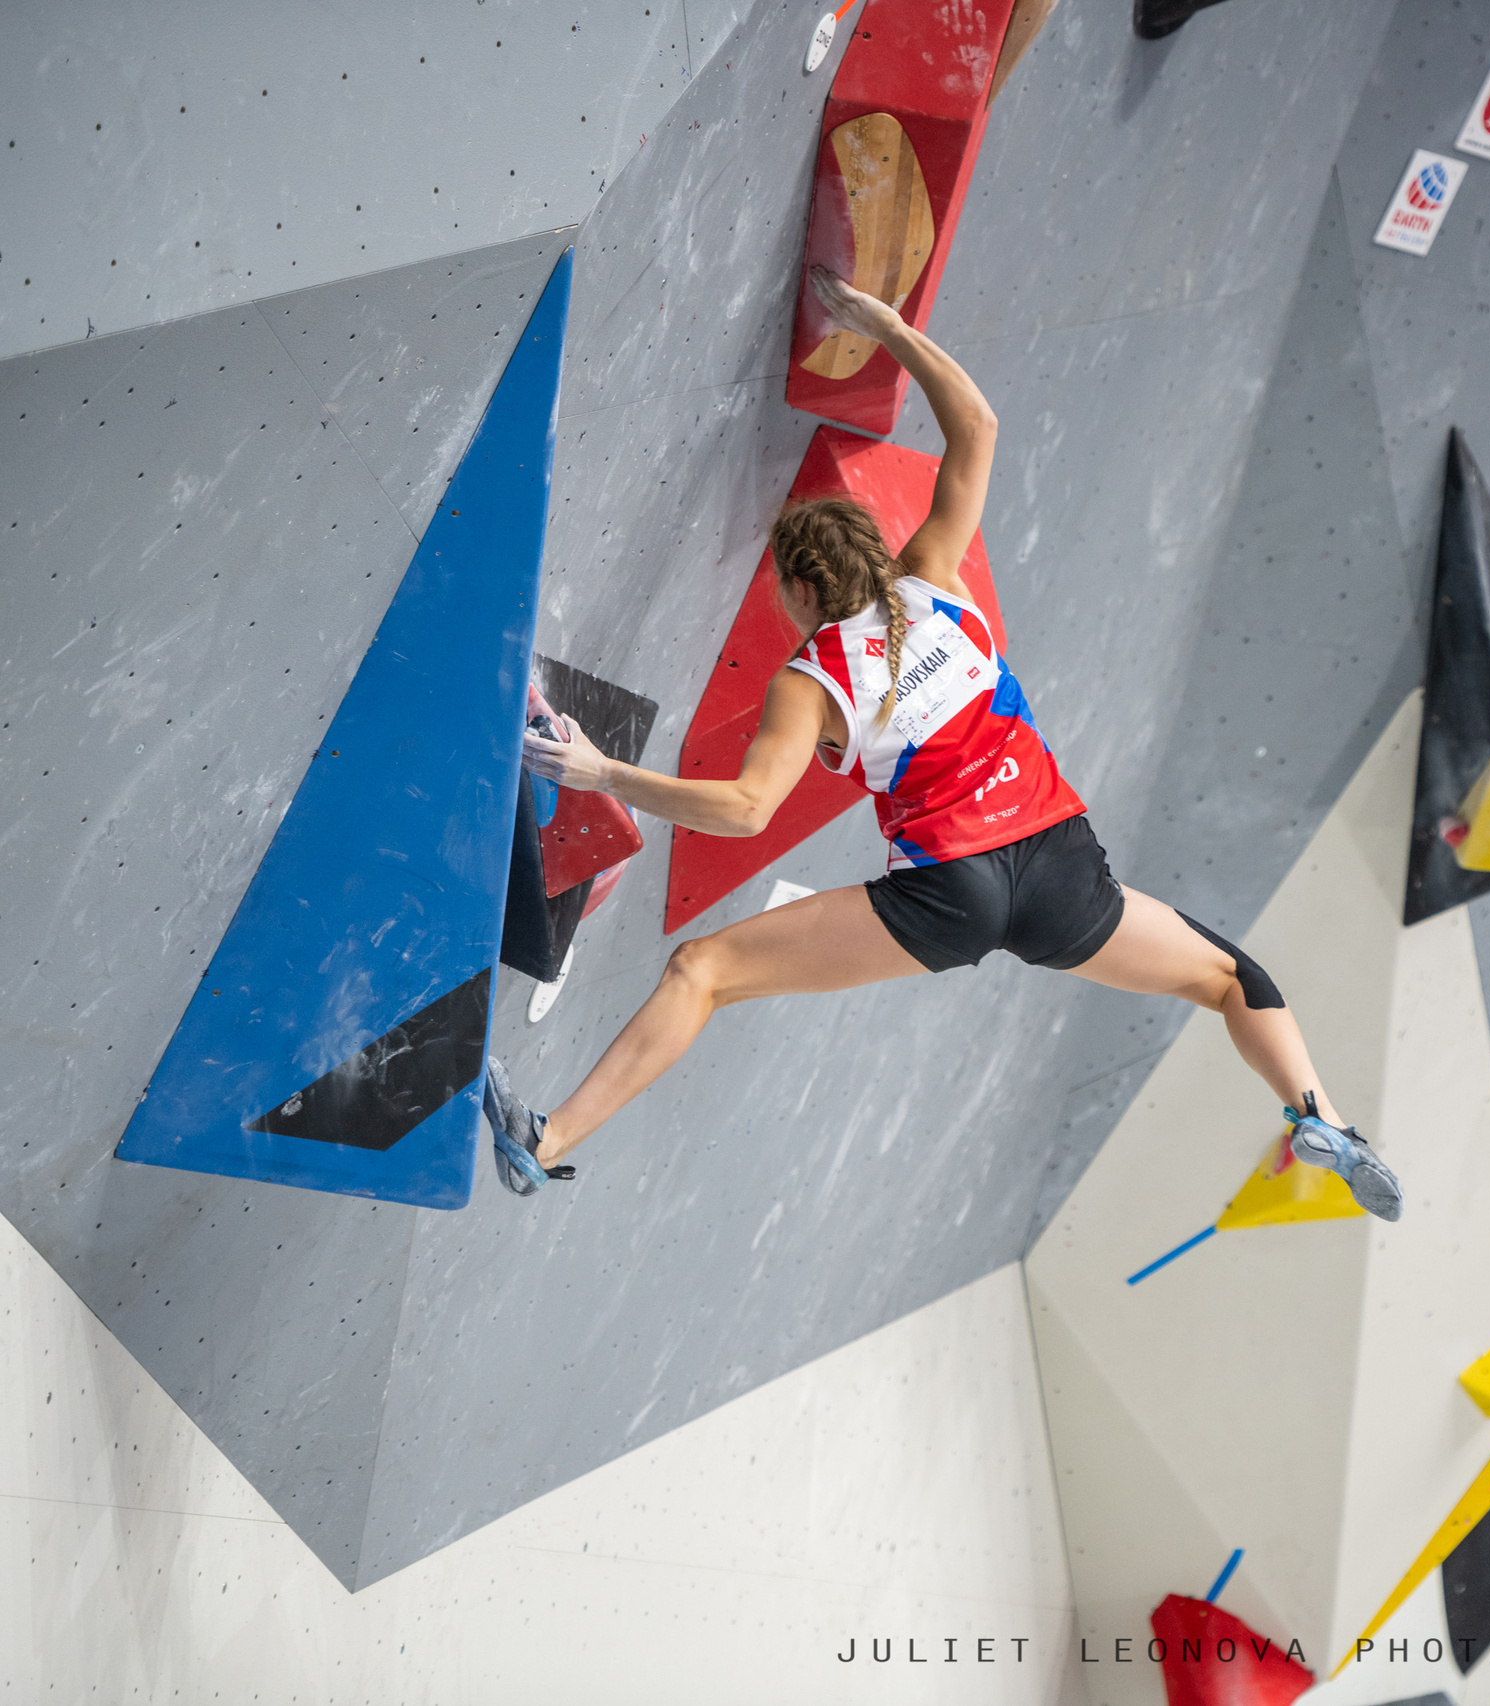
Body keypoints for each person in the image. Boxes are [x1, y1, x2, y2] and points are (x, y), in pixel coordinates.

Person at [485, 266, 1401, 1220]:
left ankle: (544, 1139)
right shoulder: (937, 581)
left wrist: (603, 772)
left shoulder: (810, 678)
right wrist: (886, 324)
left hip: (948, 893)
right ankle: (1319, 1113)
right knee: (1228, 977)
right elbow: (978, 428)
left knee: (702, 973)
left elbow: (746, 808)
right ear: (880, 551)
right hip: (1058, 868)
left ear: (798, 595)